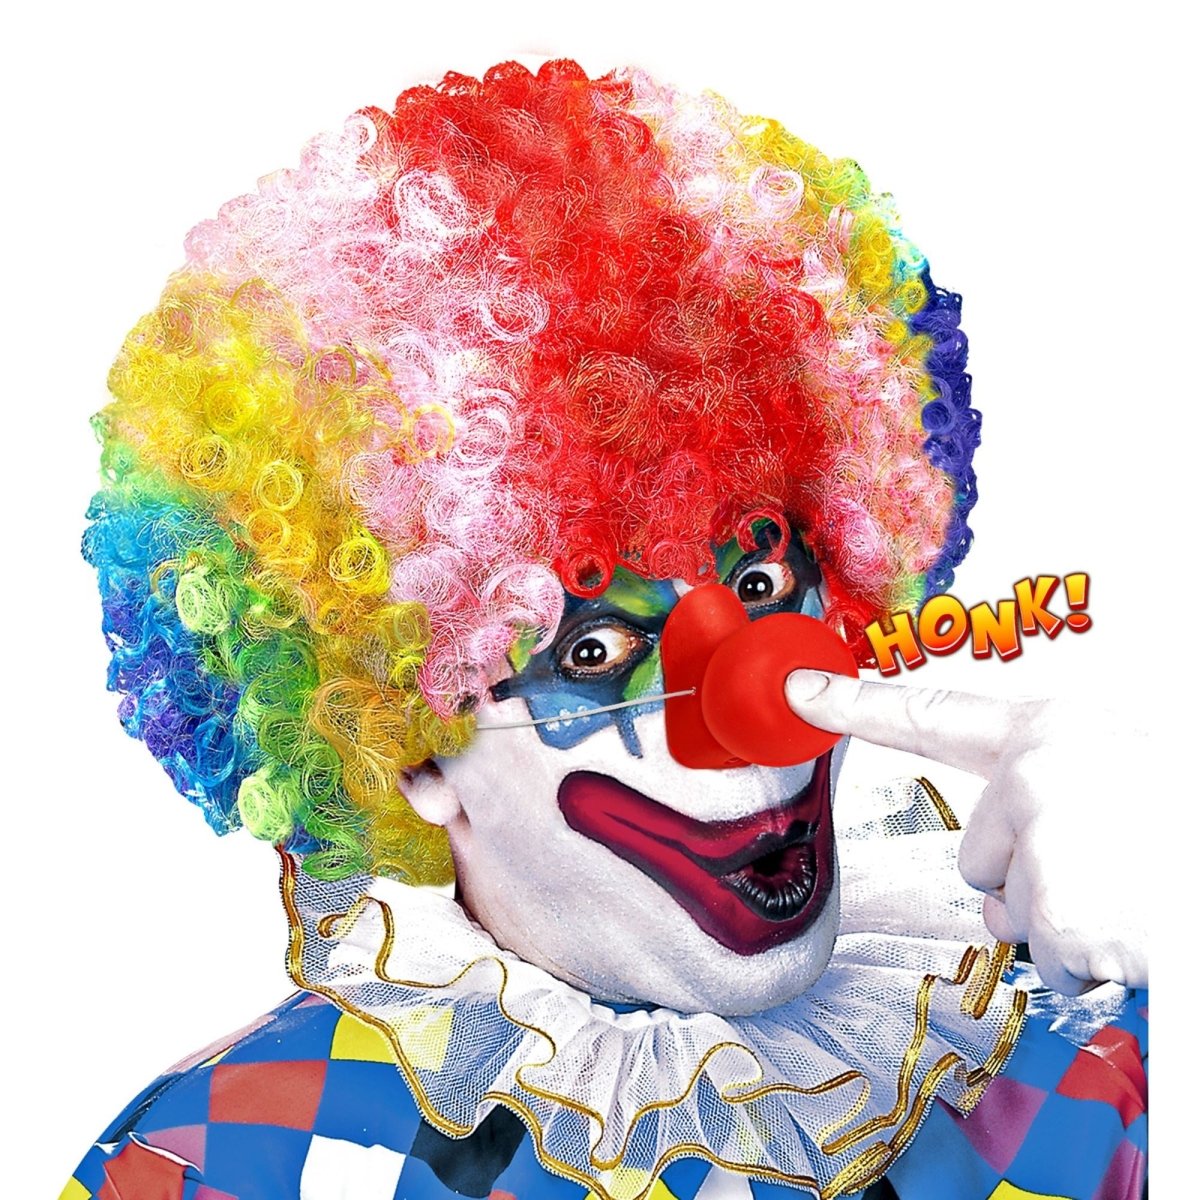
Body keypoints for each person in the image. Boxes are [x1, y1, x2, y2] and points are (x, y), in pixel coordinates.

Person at [64, 59, 1146, 1200]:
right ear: (416, 749)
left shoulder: (1090, 1064)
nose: (758, 708)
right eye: (593, 650)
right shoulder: (223, 1164)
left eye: (765, 583)